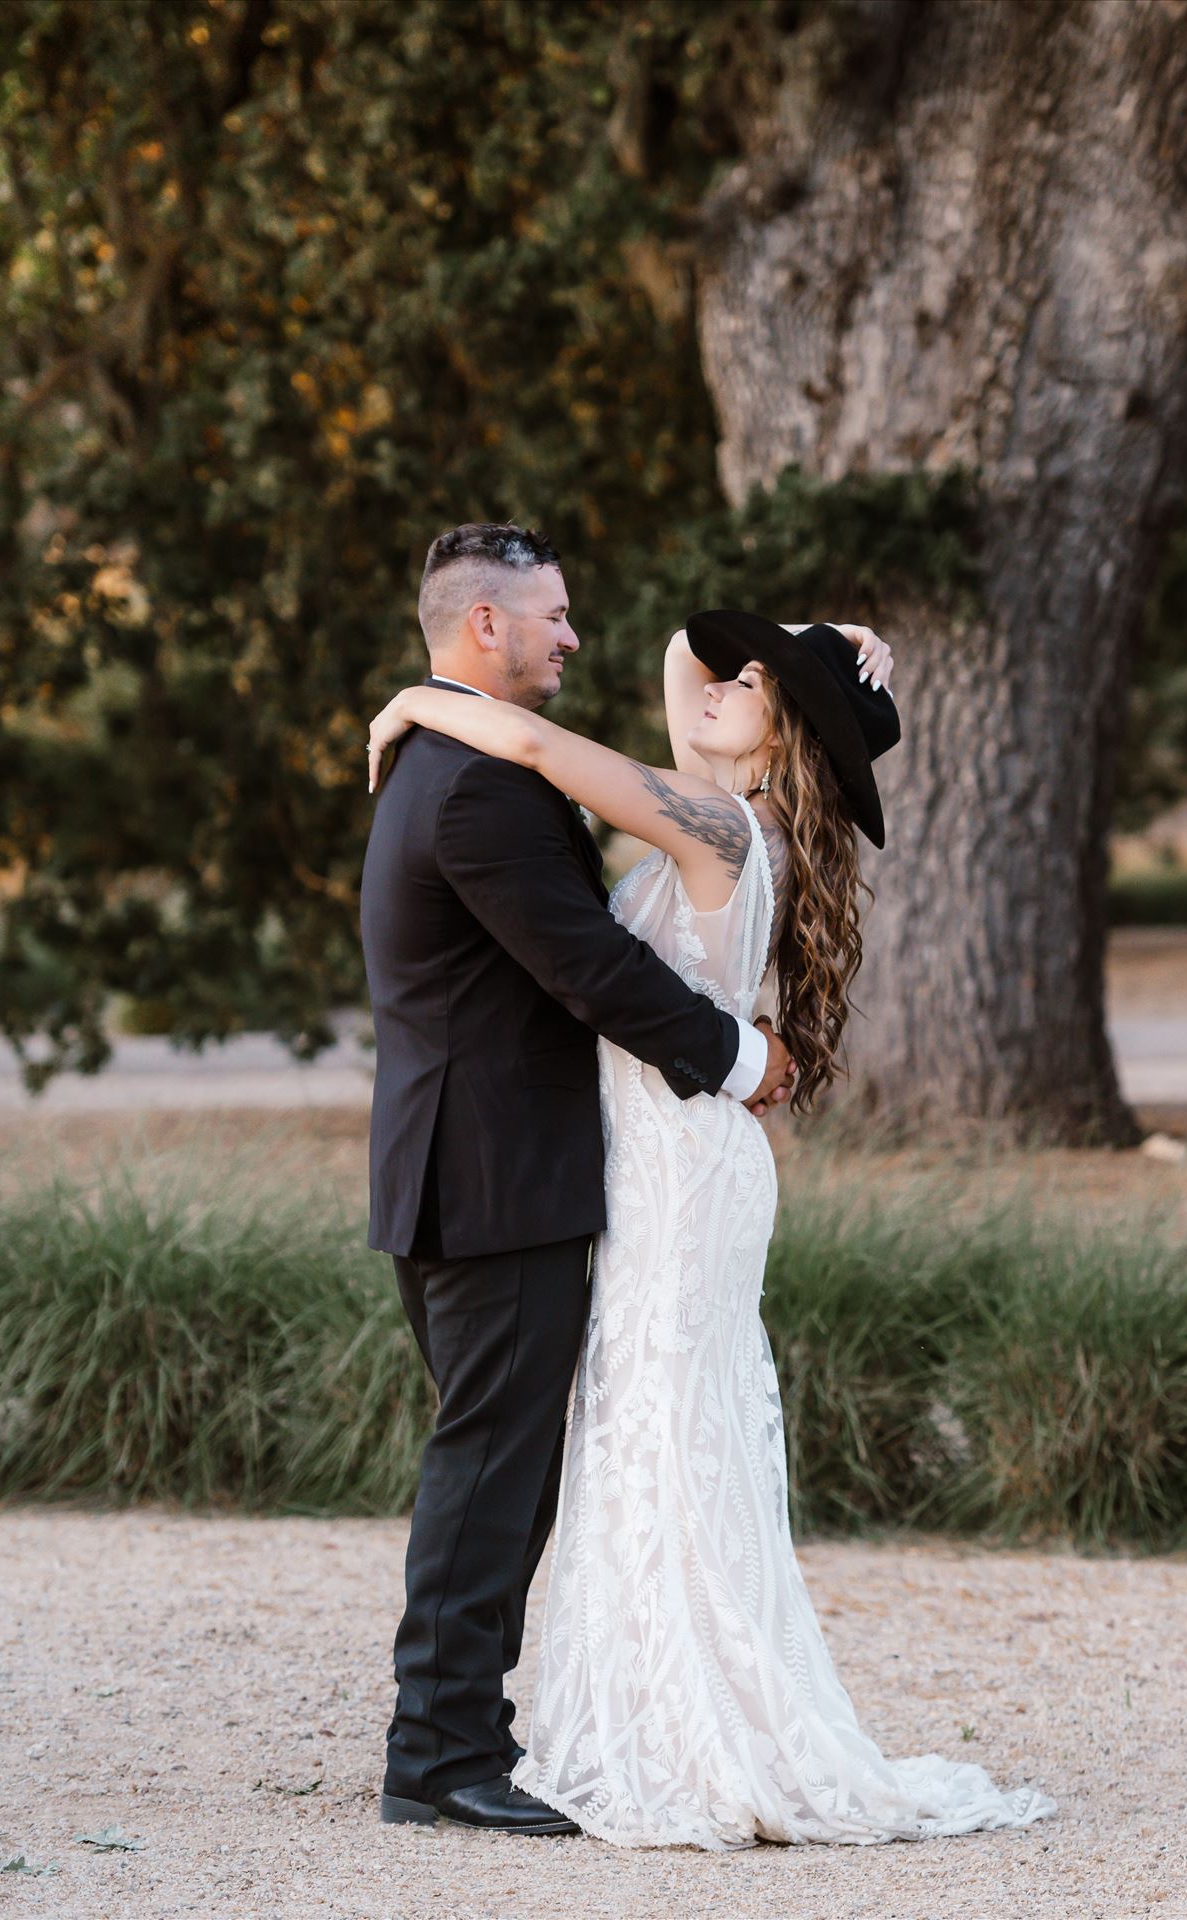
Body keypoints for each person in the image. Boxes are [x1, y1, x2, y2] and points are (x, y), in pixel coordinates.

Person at [366, 570, 1061, 1850]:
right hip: (656, 1157)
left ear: (782, 734)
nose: (719, 685)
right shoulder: (721, 808)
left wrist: (418, 698)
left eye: (756, 686)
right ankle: (639, 1708)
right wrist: (806, 645)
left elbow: (537, 746)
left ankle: (675, 1724)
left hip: (677, 1168)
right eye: (735, 675)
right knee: (642, 1437)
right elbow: (683, 654)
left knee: (660, 1437)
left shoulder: (721, 826)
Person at [359, 523, 799, 1836]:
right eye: (551, 615)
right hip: (492, 1175)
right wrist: (737, 1058)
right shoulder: (476, 789)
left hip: (477, 1168)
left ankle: (459, 1736)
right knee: (491, 1468)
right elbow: (589, 970)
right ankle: (438, 1755)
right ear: (484, 626)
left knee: (502, 1465)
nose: (570, 635)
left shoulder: (451, 760)